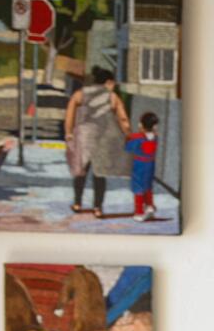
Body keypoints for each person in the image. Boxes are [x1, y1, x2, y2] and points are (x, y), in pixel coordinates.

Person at [62, 66, 131, 216]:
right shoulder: (112, 97)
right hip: (103, 138)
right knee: (100, 173)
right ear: (108, 82)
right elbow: (123, 119)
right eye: (112, 82)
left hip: (83, 137)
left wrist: (68, 133)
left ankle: (77, 203)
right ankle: (97, 208)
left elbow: (69, 115)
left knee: (80, 171)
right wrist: (127, 134)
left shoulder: (80, 94)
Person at [124, 111, 161, 221]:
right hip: (150, 164)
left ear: (140, 125)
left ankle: (139, 212)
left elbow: (128, 148)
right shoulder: (155, 137)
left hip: (139, 165)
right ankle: (149, 206)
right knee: (147, 186)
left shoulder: (137, 138)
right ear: (155, 126)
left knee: (138, 188)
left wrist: (127, 139)